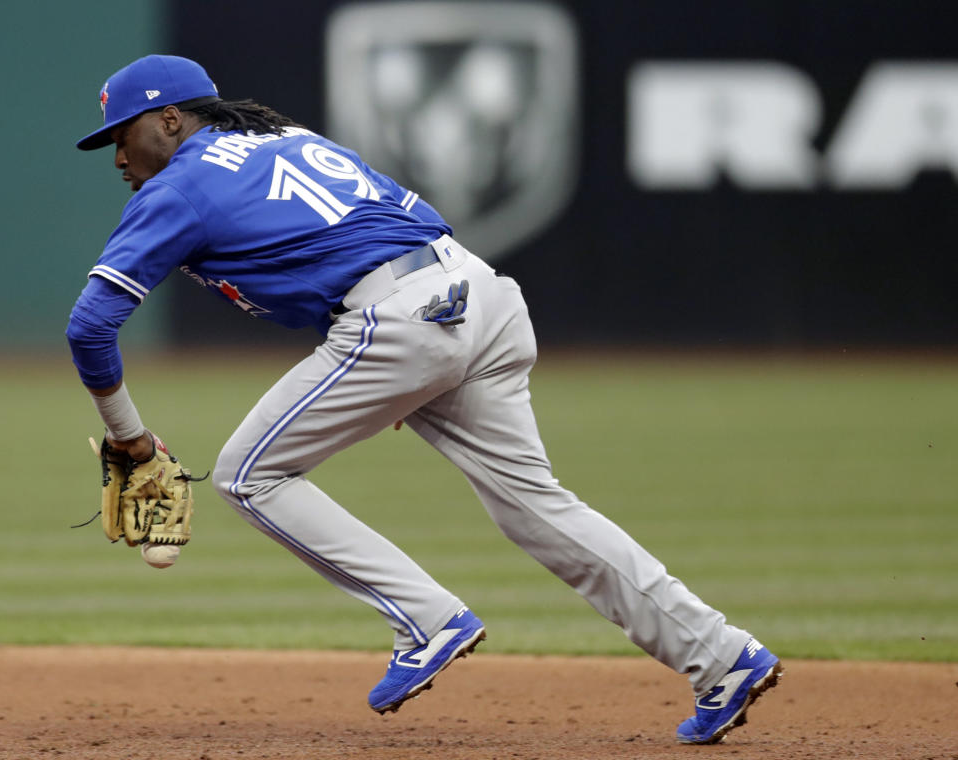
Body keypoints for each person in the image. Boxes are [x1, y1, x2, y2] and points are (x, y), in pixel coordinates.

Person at [65, 54, 782, 744]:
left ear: (166, 121)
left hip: (398, 316)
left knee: (249, 475)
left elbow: (90, 326)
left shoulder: (177, 188)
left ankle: (425, 618)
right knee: (538, 508)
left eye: (121, 137)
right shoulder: (280, 135)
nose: (118, 160)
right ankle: (721, 658)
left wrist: (129, 439)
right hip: (478, 294)